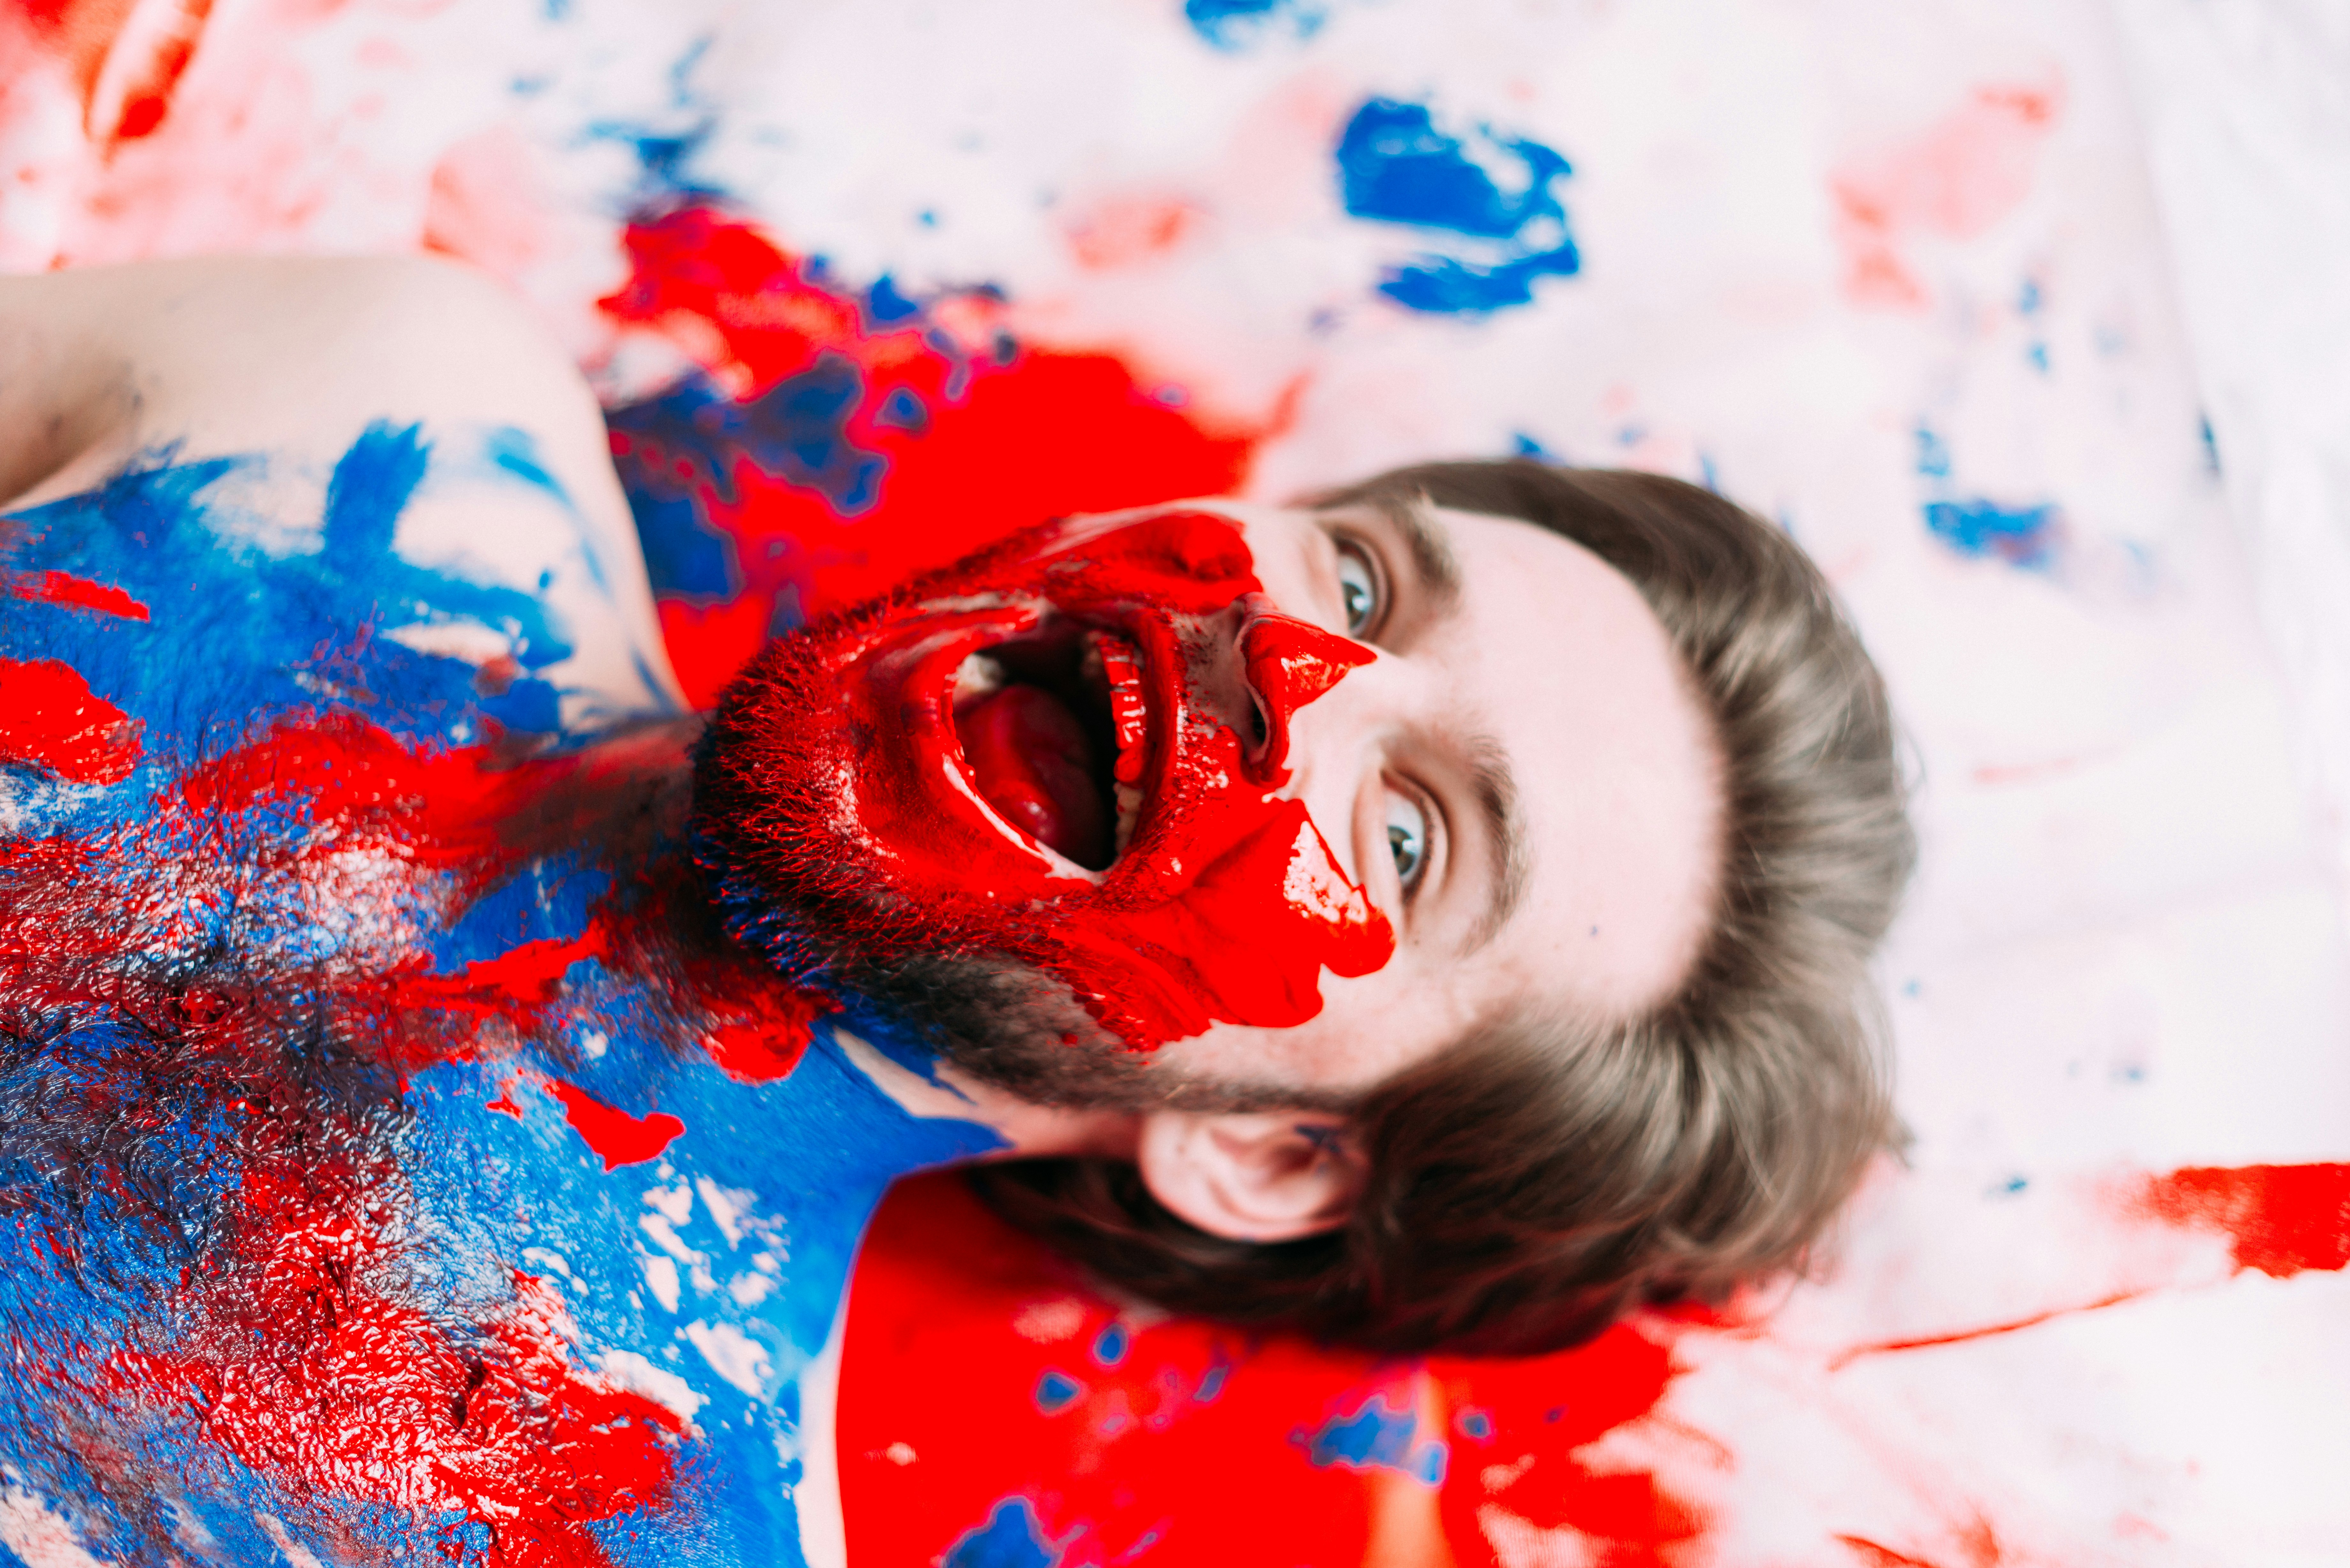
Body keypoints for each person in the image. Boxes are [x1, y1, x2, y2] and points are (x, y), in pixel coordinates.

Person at [0, 256, 1911, 1565]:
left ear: (1277, 1162)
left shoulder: (625, 1525)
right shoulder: (354, 409)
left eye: (1413, 838)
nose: (1286, 666)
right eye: (1364, 577)